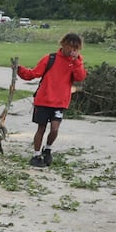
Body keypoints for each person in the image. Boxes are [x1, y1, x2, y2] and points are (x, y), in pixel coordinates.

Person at [15, 33, 86, 168]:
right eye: (69, 47)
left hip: (60, 102)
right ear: (63, 44)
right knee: (41, 128)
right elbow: (33, 74)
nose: (71, 50)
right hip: (43, 100)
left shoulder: (75, 62)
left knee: (54, 129)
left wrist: (77, 61)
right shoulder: (50, 58)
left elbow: (80, 77)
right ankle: (36, 155)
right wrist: (19, 70)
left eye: (75, 48)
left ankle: (47, 149)